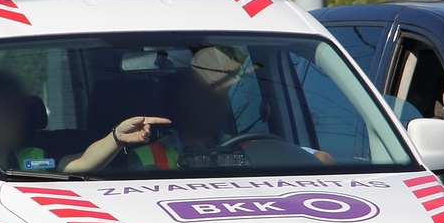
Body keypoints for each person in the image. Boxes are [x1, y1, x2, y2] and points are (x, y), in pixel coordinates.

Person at [129, 46, 331, 169]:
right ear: (181, 102)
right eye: (204, 94)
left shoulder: (249, 147)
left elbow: (321, 159)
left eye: (220, 93)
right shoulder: (148, 157)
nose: (217, 100)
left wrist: (318, 159)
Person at [0, 70, 167, 174]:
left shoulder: (34, 156)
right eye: (9, 109)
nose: (21, 117)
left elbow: (82, 163)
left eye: (20, 109)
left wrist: (117, 137)